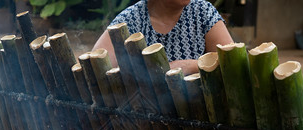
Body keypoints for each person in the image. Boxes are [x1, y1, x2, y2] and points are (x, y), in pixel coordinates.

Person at [93, 0, 233, 75]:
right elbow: (95, 66)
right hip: (146, 119)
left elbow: (231, 62)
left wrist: (190, 65)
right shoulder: (130, 18)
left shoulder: (202, 12)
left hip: (199, 118)